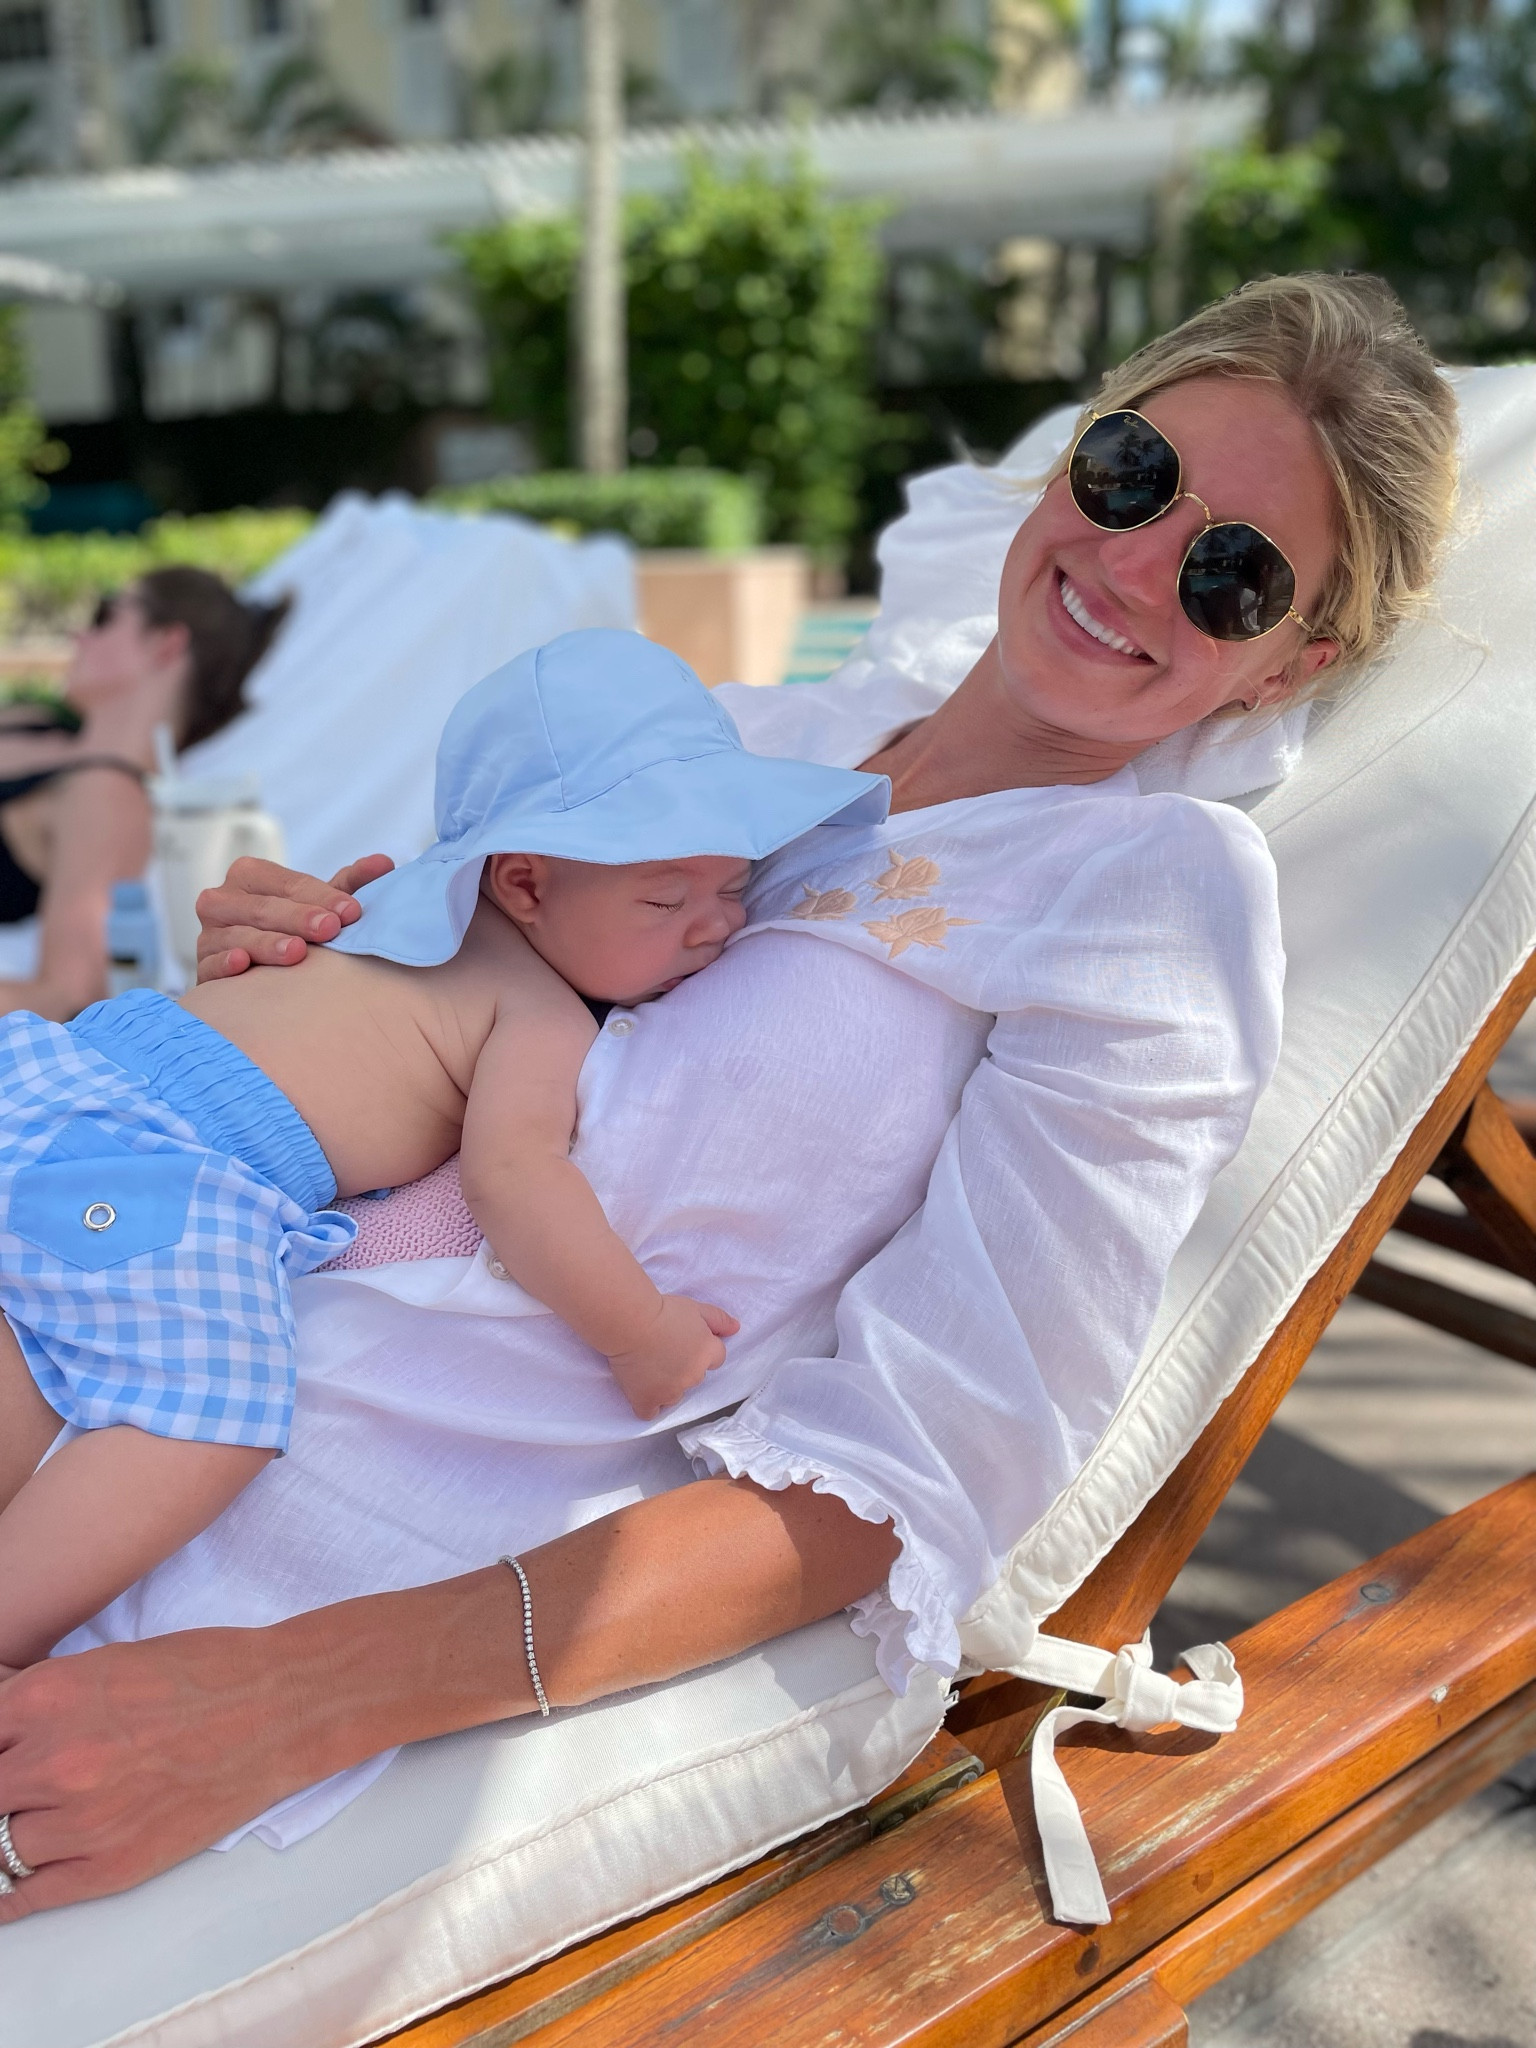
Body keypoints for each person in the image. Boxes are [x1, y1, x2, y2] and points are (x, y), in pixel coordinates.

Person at [0, 273, 1461, 1918]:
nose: (1132, 563)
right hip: (130, 1302)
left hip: (321, 1553)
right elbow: (462, 984)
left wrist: (288, 1695)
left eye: (1231, 575)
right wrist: (305, 970)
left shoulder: (1145, 897)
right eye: (1131, 475)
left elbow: (904, 1474)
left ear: (1290, 661)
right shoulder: (751, 733)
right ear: (1072, 460)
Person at [0, 631, 884, 1672]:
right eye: (665, 897)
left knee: (42, 1344)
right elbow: (516, 1178)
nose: (713, 926)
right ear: (523, 883)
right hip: (178, 1156)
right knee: (211, 1411)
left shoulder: (372, 903)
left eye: (734, 886)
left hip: (63, 1070)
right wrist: (641, 1330)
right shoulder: (535, 1004)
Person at [0, 567, 288, 1022]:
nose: (80, 635)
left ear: (167, 643)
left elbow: (67, 993)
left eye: (104, 616)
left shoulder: (108, 794)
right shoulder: (34, 721)